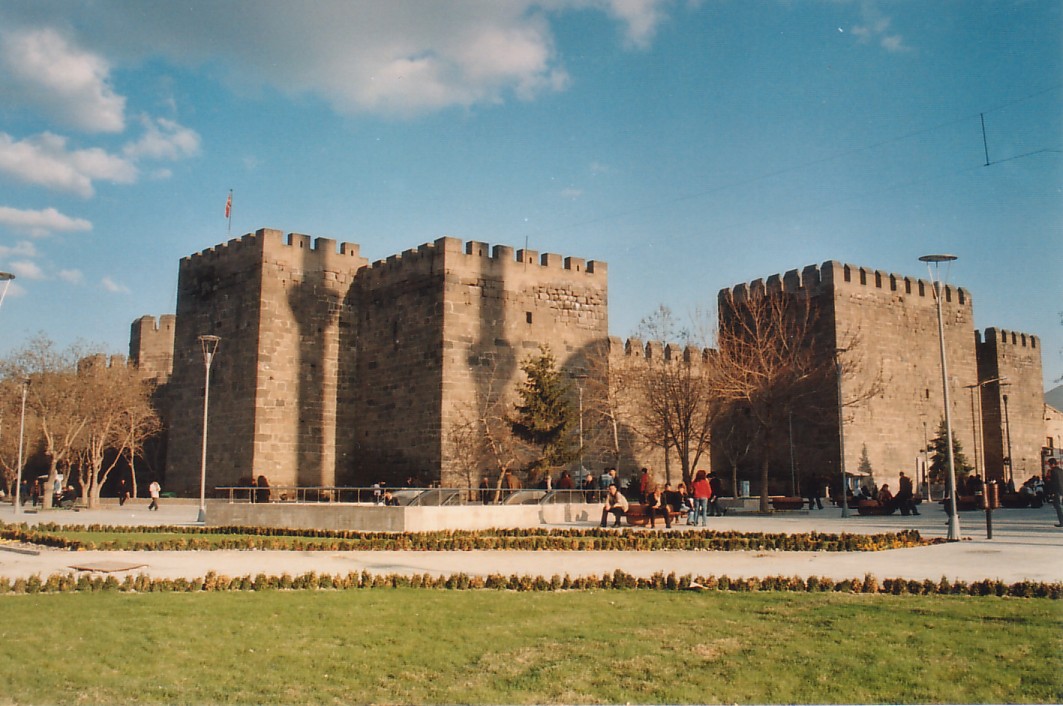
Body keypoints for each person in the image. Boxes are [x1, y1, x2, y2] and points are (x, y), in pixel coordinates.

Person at [1046, 458, 1063, 527]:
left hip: (1058, 491)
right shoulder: (1061, 471)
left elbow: (1055, 482)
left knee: (1057, 506)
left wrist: (1053, 492)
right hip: (1061, 490)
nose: (1049, 466)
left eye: (1049, 464)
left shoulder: (1053, 471)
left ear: (1052, 464)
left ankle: (1062, 521)